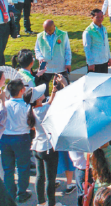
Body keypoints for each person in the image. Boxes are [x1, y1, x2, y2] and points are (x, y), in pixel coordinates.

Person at [1, 80, 40, 203]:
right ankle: (22, 192)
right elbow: (31, 124)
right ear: (22, 90)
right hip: (21, 138)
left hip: (5, 138)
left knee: (8, 168)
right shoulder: (26, 106)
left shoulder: (4, 104)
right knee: (23, 167)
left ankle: (10, 193)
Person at [27, 77, 61, 206]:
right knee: (50, 179)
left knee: (40, 177)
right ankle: (51, 203)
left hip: (36, 147)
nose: (43, 94)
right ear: (36, 99)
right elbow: (52, 104)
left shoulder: (34, 110)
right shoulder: (44, 110)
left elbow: (49, 102)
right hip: (47, 148)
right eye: (40, 94)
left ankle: (41, 203)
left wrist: (54, 90)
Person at [34, 19, 72, 93]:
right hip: (46, 66)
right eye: (46, 30)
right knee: (43, 88)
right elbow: (37, 49)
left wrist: (68, 63)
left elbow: (67, 50)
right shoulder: (40, 36)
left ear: (54, 27)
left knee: (63, 88)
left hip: (60, 65)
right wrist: (40, 58)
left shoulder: (63, 34)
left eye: (50, 30)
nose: (48, 32)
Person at [83, 8, 111, 73]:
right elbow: (87, 48)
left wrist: (109, 57)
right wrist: (90, 63)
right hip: (95, 63)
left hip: (104, 61)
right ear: (92, 18)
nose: (100, 19)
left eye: (101, 17)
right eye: (97, 17)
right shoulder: (88, 32)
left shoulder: (104, 29)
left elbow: (106, 44)